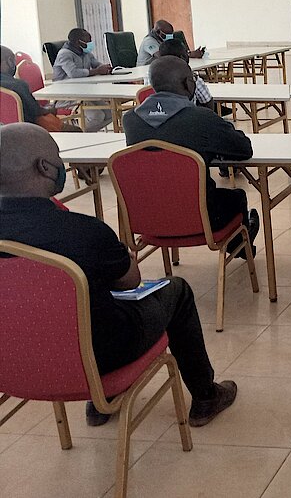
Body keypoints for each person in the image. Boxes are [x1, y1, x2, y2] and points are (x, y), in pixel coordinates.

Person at [0, 124, 238, 428]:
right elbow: (130, 281)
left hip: (12, 361)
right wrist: (123, 259)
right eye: (57, 157)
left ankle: (100, 407)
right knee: (176, 291)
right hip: (98, 357)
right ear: (45, 167)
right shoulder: (84, 232)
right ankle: (205, 396)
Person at [122, 57, 259, 257]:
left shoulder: (130, 120)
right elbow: (243, 149)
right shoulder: (200, 118)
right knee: (236, 197)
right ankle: (240, 248)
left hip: (148, 217)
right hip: (199, 216)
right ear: (188, 84)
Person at [0, 45, 78, 132]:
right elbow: (36, 111)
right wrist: (51, 110)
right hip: (31, 130)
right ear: (10, 61)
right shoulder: (18, 85)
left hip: (5, 134)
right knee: (76, 130)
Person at [52, 28, 113, 132]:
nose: (90, 43)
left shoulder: (85, 53)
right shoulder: (64, 54)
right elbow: (73, 73)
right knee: (97, 116)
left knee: (110, 113)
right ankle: (78, 133)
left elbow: (96, 64)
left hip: (84, 92)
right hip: (68, 96)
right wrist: (97, 71)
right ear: (78, 42)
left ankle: (86, 132)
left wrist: (105, 67)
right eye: (88, 41)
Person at [155, 38, 216, 111]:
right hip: (187, 116)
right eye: (187, 52)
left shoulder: (151, 78)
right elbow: (207, 102)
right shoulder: (193, 78)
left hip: (158, 116)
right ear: (183, 57)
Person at [137, 19, 205, 66]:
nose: (169, 37)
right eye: (167, 34)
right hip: (145, 71)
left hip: (160, 66)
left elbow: (174, 52)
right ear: (158, 32)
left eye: (171, 34)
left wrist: (189, 53)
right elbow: (163, 56)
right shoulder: (149, 41)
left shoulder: (162, 39)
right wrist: (188, 55)